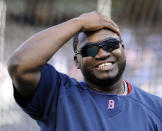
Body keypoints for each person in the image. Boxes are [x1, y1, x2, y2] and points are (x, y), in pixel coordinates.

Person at [7, 11, 162, 131]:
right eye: (90, 50)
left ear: (123, 50)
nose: (102, 54)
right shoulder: (56, 95)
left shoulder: (156, 107)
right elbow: (20, 65)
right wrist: (79, 22)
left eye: (110, 45)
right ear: (77, 62)